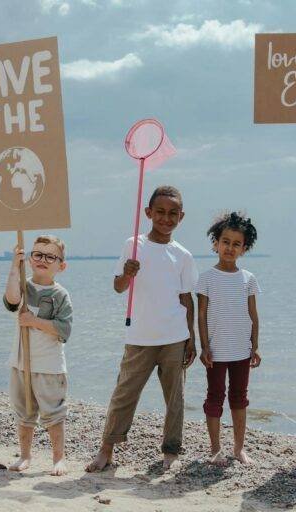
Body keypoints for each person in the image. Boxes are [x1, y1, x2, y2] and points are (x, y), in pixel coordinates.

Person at [86, 185, 198, 472]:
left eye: (173, 213)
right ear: (148, 212)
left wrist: (192, 338)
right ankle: (106, 449)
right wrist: (127, 273)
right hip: (140, 336)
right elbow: (118, 287)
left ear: (182, 217)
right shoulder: (133, 245)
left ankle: (171, 451)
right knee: (124, 393)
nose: (166, 218)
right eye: (160, 212)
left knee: (175, 398)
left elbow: (187, 298)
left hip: (175, 336)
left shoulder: (183, 255)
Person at [3, 234, 73, 476]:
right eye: (38, 254)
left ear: (61, 266)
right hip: (21, 363)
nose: (43, 259)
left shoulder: (60, 295)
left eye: (50, 256)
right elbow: (12, 300)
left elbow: (64, 330)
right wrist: (15, 267)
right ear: (30, 259)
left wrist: (34, 321)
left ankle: (58, 458)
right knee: (24, 412)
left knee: (53, 413)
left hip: (49, 366)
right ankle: (25, 455)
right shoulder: (23, 285)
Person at [196, 211, 261, 465]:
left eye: (236, 244)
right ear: (216, 243)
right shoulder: (206, 278)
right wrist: (204, 347)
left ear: (244, 249)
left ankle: (239, 448)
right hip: (216, 351)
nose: (230, 248)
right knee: (214, 397)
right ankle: (215, 449)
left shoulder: (248, 279)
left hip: (242, 351)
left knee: (239, 397)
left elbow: (253, 315)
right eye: (225, 242)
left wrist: (255, 345)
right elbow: (201, 315)